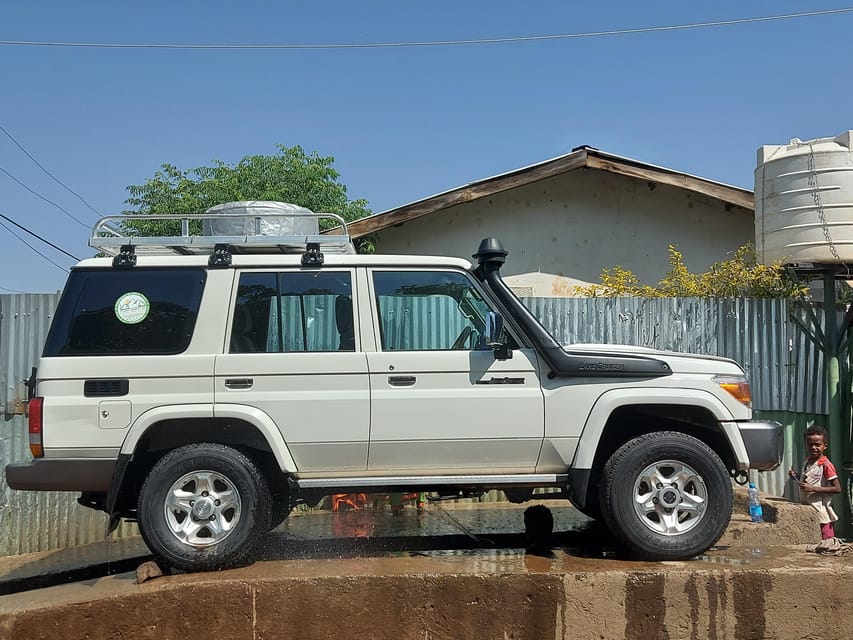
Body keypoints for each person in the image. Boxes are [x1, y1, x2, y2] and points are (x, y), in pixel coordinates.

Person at [789, 425, 841, 540]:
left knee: (826, 543)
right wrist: (796, 477)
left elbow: (837, 488)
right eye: (810, 444)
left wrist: (813, 488)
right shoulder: (808, 462)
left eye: (817, 445)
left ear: (825, 446)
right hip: (809, 511)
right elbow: (807, 482)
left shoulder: (826, 465)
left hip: (822, 514)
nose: (813, 448)